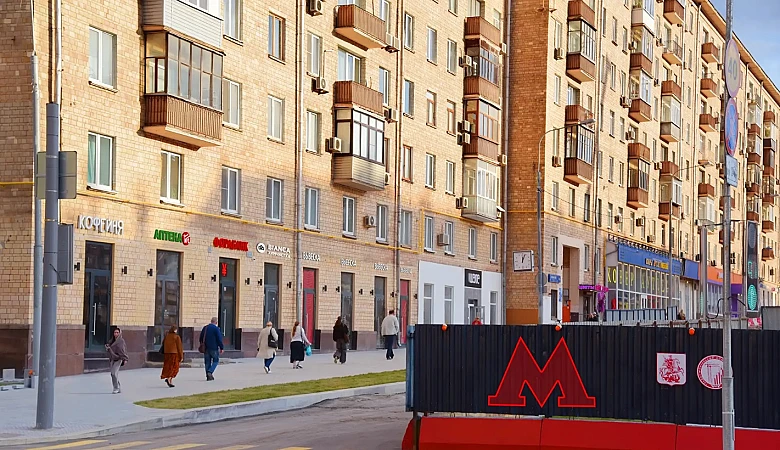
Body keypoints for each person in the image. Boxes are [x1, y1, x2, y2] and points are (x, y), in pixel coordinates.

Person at [199, 317, 224, 381]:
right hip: (214, 348)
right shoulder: (216, 329)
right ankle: (210, 372)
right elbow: (219, 339)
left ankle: (208, 376)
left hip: (206, 348)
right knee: (216, 361)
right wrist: (221, 347)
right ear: (216, 322)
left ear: (211, 321)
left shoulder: (205, 328)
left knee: (207, 362)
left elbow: (201, 338)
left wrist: (202, 344)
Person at [105, 327, 128, 394]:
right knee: (113, 374)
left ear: (120, 333)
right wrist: (108, 347)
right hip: (112, 358)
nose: (116, 334)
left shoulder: (121, 341)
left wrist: (125, 359)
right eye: (115, 332)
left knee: (114, 373)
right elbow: (109, 347)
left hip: (119, 358)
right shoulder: (112, 340)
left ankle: (116, 388)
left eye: (117, 332)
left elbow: (124, 350)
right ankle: (118, 386)